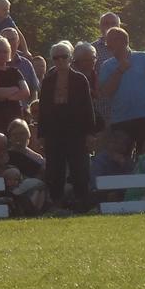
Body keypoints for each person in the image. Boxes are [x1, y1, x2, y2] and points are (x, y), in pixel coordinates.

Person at [38, 44, 95, 211]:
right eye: (56, 57)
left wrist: (90, 133)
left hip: (76, 131)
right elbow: (43, 109)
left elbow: (88, 107)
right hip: (54, 131)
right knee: (55, 170)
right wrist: (41, 134)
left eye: (64, 56)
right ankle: (56, 203)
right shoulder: (48, 81)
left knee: (80, 170)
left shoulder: (80, 79)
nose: (60, 60)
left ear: (71, 58)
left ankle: (82, 202)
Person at [98, 27, 145, 152]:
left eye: (110, 41)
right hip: (120, 120)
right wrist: (119, 71)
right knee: (121, 157)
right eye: (106, 42)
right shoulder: (107, 65)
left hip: (144, 117)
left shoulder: (143, 57)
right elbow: (106, 92)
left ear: (123, 41)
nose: (107, 45)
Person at [0, 37, 29, 136]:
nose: (2, 54)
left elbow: (26, 92)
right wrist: (15, 89)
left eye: (5, 51)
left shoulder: (15, 72)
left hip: (15, 118)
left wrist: (7, 97)